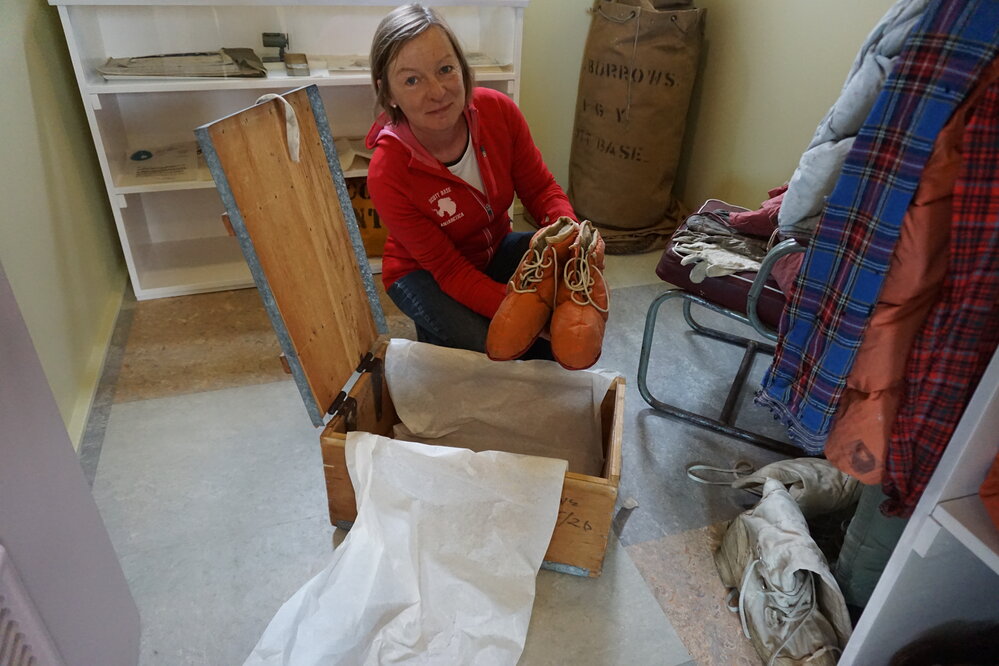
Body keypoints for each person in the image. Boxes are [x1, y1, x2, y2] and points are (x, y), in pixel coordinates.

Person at [364, 3, 577, 358]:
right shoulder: (388, 173)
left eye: (445, 69)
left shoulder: (499, 112)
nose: (437, 91)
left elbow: (541, 190)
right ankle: (436, 331)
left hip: (493, 251)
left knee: (563, 293)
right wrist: (524, 311)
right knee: (503, 349)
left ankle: (449, 334)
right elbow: (449, 270)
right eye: (412, 80)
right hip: (423, 275)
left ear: (462, 69)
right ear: (388, 93)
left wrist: (570, 235)